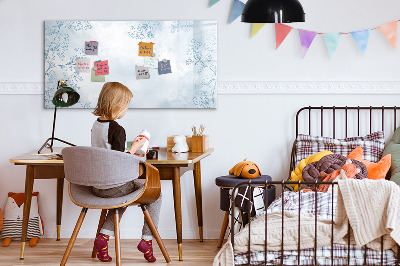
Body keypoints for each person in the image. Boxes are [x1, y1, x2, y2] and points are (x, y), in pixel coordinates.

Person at [91, 82, 161, 263]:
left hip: (97, 186)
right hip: (114, 186)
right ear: (117, 105)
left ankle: (103, 238)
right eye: (126, 106)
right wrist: (136, 148)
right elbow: (119, 160)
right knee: (156, 194)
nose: (126, 110)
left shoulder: (96, 125)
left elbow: (108, 154)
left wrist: (130, 149)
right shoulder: (117, 129)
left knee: (121, 197)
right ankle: (147, 240)